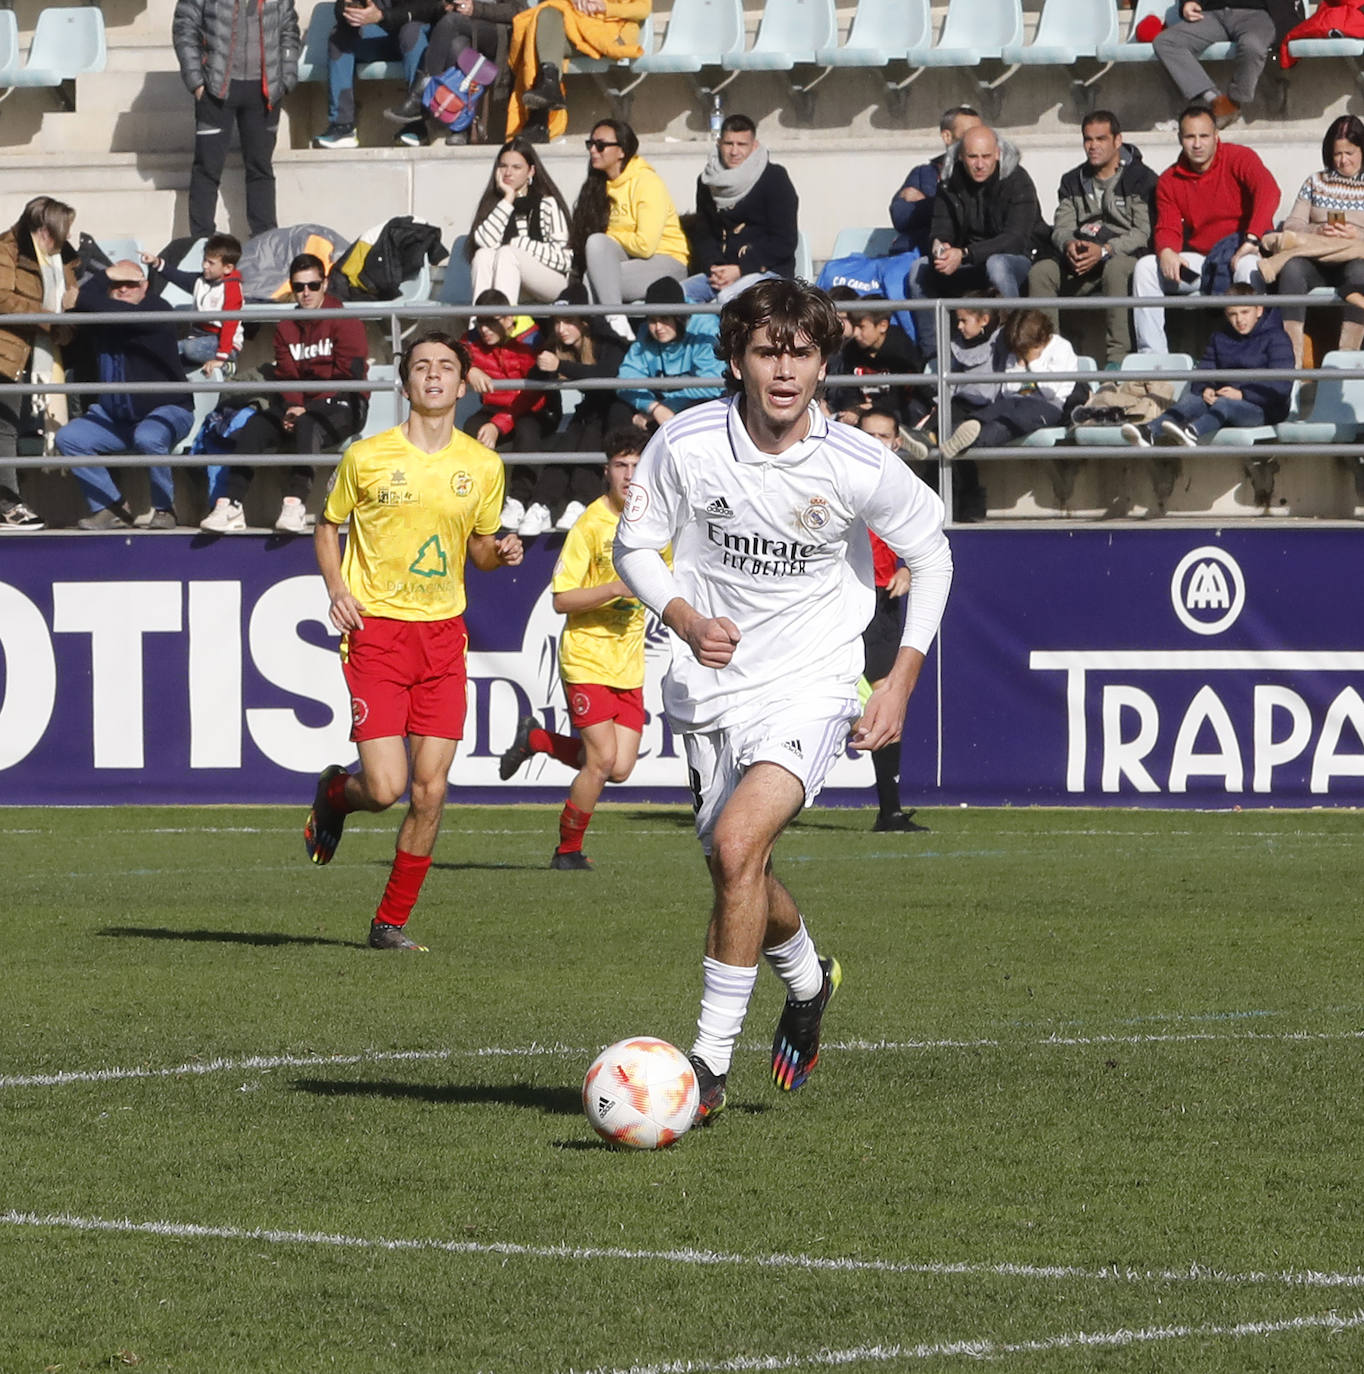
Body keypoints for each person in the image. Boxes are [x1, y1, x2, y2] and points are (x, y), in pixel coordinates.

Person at [612, 278, 953, 1123]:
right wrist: (683, 616)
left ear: (824, 362)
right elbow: (634, 547)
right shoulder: (686, 445)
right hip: (709, 685)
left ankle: (706, 1067)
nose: (785, 370)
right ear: (736, 359)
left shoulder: (857, 463)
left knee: (736, 845)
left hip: (815, 679)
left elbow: (935, 557)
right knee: (738, 867)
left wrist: (900, 678)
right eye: (768, 350)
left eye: (802, 352)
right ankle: (809, 981)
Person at [304, 330, 524, 951]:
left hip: (443, 638)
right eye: (421, 366)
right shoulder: (366, 457)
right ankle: (334, 794)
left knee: (431, 789)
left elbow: (478, 551)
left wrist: (500, 549)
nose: (433, 376)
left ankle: (390, 923)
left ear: (462, 385)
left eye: (445, 367)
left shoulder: (482, 466)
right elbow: (328, 529)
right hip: (377, 634)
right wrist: (336, 589)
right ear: (405, 383)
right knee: (384, 787)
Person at [499, 430, 658, 867]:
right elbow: (561, 599)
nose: (629, 475)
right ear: (606, 471)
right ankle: (567, 851)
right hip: (587, 657)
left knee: (619, 768)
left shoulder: (656, 524)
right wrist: (614, 588)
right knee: (602, 759)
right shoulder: (590, 524)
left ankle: (538, 739)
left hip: (629, 663)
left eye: (636, 465)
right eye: (621, 466)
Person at [203, 254, 369, 534]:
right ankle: (230, 504)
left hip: (344, 401)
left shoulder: (345, 320)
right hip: (300, 404)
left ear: (324, 284)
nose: (306, 293)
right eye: (299, 287)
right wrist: (293, 405)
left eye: (313, 286)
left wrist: (306, 409)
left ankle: (295, 503)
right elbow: (287, 374)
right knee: (255, 425)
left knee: (308, 424)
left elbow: (347, 375)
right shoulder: (286, 326)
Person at [56, 261, 193, 531]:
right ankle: (112, 507)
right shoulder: (104, 315)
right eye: (116, 285)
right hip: (118, 419)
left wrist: (97, 283)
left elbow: (91, 304)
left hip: (167, 411)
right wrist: (104, 278)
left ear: (146, 285)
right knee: (69, 438)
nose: (123, 289)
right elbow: (77, 306)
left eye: (130, 283)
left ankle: (166, 509)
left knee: (149, 436)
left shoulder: (157, 308)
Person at [1133, 104, 1280, 354]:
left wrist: (1252, 238)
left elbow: (1269, 191)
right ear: (1180, 139)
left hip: (1245, 252)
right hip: (1205, 266)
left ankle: (1252, 353)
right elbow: (1167, 225)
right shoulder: (1169, 179)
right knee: (1146, 268)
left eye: (1204, 136)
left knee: (1248, 268)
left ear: (1216, 136)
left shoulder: (1239, 157)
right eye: (1190, 137)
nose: (1197, 144)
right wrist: (1167, 250)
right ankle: (1153, 361)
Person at [1026, 111, 1157, 369]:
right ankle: (1048, 358)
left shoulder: (1142, 178)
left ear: (1117, 141)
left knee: (1116, 268)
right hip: (1082, 257)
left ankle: (1118, 361)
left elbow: (1143, 232)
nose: (1093, 146)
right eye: (1088, 139)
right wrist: (1069, 245)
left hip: (1124, 258)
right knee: (1041, 272)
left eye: (1101, 139)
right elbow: (1061, 227)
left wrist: (1106, 250)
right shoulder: (1072, 180)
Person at [907, 125, 1047, 358]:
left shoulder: (1018, 180)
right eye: (973, 157)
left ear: (997, 154)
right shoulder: (949, 181)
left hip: (1017, 259)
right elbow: (940, 228)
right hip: (969, 259)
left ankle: (1013, 347)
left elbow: (1015, 239)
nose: (980, 164)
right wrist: (940, 249)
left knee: (997, 264)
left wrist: (963, 253)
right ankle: (933, 358)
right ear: (962, 157)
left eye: (986, 156)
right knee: (918, 270)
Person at [856, 409, 930, 834]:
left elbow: (924, 546)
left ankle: (890, 810)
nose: (876, 442)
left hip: (882, 604)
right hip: (837, 603)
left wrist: (906, 569)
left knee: (884, 699)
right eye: (869, 435)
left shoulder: (906, 490)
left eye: (884, 436)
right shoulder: (837, 476)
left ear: (897, 443)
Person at [172, 0, 301, 239]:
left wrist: (286, 78)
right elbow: (184, 27)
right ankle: (202, 240)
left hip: (264, 91)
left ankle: (265, 239)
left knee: (261, 167)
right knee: (207, 168)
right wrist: (197, 83)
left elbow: (289, 29)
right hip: (215, 90)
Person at [1121, 284, 1294, 445]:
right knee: (1192, 401)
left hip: (1264, 410)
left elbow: (1281, 386)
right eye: (1232, 314)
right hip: (1224, 400)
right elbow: (1205, 370)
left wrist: (1242, 395)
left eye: (1244, 312)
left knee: (1224, 405)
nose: (1239, 320)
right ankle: (1149, 431)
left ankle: (1192, 433)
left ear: (1258, 310)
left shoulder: (1277, 338)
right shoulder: (1220, 337)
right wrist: (1206, 388)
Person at [570, 120, 690, 343]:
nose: (593, 150)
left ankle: (615, 327)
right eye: (590, 144)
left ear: (622, 151)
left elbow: (645, 246)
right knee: (595, 249)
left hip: (667, 262)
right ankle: (607, 338)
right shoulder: (599, 186)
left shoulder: (647, 182)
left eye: (600, 145)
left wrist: (611, 236)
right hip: (631, 263)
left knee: (594, 275)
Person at [1258, 115, 1364, 364]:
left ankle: (1348, 358)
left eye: (1349, 152)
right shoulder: (1315, 182)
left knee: (1361, 271)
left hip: (1353, 258)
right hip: (1316, 258)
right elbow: (1294, 223)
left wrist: (1355, 234)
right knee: (1292, 268)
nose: (1343, 160)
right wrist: (1318, 230)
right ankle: (1290, 360)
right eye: (1338, 153)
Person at [0, 196, 78, 532]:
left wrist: (68, 322)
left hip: (44, 357)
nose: (61, 240)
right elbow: (2, 297)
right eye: (58, 232)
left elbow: (74, 298)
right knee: (5, 429)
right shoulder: (7, 249)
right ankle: (8, 504)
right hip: (8, 352)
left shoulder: (63, 257)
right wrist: (50, 320)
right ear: (42, 229)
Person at [528, 283, 633, 530]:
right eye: (557, 322)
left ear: (584, 322)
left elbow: (607, 374)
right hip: (593, 405)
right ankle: (540, 504)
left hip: (620, 404)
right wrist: (545, 366)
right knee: (567, 443)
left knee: (590, 437)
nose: (561, 329)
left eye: (569, 321)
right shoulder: (560, 344)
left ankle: (581, 501)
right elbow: (538, 372)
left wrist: (560, 367)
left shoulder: (606, 340)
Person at [930, 308, 1083, 461]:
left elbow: (1050, 392)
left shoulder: (1061, 348)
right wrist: (1019, 366)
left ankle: (968, 442)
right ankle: (938, 437)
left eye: (1023, 350)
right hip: (1014, 400)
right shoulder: (1017, 352)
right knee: (983, 415)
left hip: (1047, 407)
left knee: (1007, 424)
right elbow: (1007, 390)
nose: (1019, 354)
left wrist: (1033, 361)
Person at [462, 288, 552, 535]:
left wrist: (498, 424)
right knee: (470, 431)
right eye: (481, 323)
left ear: (507, 319)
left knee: (527, 431)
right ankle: (476, 500)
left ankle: (518, 500)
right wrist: (468, 369)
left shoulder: (531, 340)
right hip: (495, 408)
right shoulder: (472, 340)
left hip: (536, 408)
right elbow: (451, 353)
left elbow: (533, 392)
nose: (484, 330)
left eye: (491, 323)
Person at [683, 114, 799, 305]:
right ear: (719, 144)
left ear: (754, 146)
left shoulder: (774, 178)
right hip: (720, 273)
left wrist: (740, 269)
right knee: (675, 296)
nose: (734, 151)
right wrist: (716, 268)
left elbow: (784, 241)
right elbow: (704, 234)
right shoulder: (706, 181)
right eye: (729, 144)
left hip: (766, 272)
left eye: (741, 144)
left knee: (728, 299)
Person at [387, 0, 528, 146]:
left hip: (498, 34)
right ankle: (460, 127)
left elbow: (518, 9)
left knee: (452, 22)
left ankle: (421, 94)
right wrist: (446, 6)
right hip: (462, 32)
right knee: (457, 46)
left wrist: (476, 8)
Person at [507, 0, 649, 143]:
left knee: (545, 42)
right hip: (577, 23)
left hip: (613, 32)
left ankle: (539, 122)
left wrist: (605, 7)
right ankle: (549, 87)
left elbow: (643, 9)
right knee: (547, 15)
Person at [312, 0, 442, 149]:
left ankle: (417, 125)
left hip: (412, 31)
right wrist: (349, 10)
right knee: (340, 36)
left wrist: (381, 16)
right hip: (380, 35)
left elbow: (429, 7)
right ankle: (342, 126)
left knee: (411, 32)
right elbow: (340, 12)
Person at [1153, 0, 1298, 130]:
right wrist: (1189, 2)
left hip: (1259, 14)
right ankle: (1217, 101)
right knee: (1166, 42)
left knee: (1252, 46)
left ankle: (1235, 101)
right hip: (1212, 14)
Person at [466, 138, 573, 305]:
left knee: (507, 253)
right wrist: (508, 198)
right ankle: (479, 324)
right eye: (503, 166)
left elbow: (564, 260)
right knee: (482, 256)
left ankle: (503, 322)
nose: (508, 173)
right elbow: (484, 242)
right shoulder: (495, 205)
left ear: (530, 172)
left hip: (550, 283)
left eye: (516, 167)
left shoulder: (547, 204)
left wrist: (519, 245)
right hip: (508, 282)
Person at [617, 276, 725, 431]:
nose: (658, 327)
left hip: (699, 408)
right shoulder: (645, 331)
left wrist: (667, 407)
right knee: (617, 411)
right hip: (657, 407)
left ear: (679, 317)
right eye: (652, 320)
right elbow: (626, 378)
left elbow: (714, 386)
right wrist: (654, 408)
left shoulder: (705, 329)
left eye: (664, 318)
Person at [143, 233, 245, 378]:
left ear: (228, 268)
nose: (204, 265)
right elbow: (178, 276)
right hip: (197, 338)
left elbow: (230, 324)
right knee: (167, 356)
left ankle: (227, 365)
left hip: (223, 344)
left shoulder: (232, 289)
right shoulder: (200, 281)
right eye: (204, 260)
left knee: (188, 348)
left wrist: (222, 357)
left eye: (211, 263)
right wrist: (156, 263)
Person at [888, 105, 983, 258]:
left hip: (959, 257)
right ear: (947, 136)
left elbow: (974, 214)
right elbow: (900, 216)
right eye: (968, 133)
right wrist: (944, 205)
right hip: (915, 253)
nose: (977, 139)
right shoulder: (923, 173)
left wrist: (926, 202)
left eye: (979, 133)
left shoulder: (984, 172)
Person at [823, 294, 923, 426]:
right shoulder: (851, 349)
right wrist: (853, 408)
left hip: (898, 409)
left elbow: (903, 393)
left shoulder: (900, 348)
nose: (856, 334)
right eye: (854, 326)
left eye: (862, 327)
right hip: (861, 410)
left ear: (882, 325)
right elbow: (847, 388)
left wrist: (870, 408)